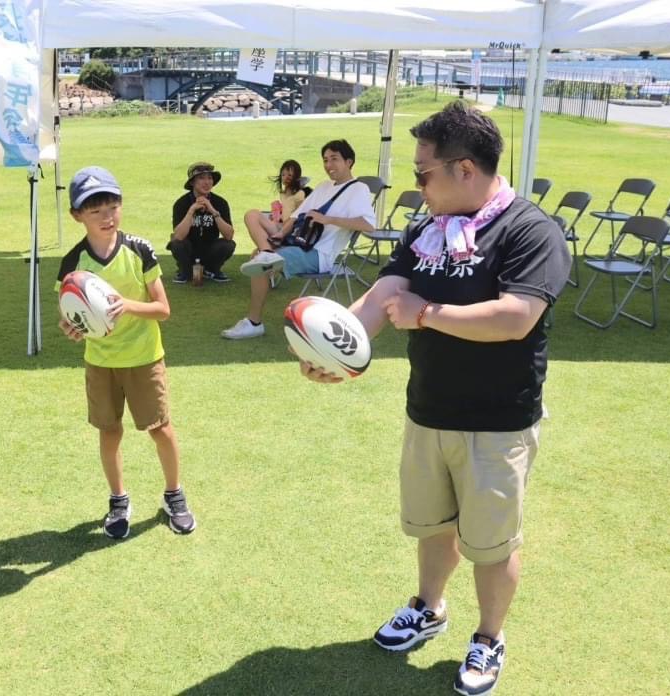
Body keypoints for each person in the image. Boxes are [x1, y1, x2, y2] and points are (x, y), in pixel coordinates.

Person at [300, 101, 571, 696]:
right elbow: (384, 294)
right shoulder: (427, 228)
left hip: (497, 422)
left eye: (423, 173)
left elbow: (516, 317)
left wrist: (426, 313)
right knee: (431, 526)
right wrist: (338, 348)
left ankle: (489, 637)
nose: (417, 186)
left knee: (491, 545)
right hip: (428, 410)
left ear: (464, 168)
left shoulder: (530, 230)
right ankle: (428, 606)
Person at [58, 166, 196, 539]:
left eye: (113, 207)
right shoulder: (73, 263)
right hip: (101, 363)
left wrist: (126, 305)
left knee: (161, 429)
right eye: (95, 210)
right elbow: (70, 314)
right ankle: (118, 500)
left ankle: (174, 495)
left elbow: (163, 309)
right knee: (109, 432)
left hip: (144, 359)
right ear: (77, 215)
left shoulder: (139, 250)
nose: (107, 217)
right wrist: (72, 328)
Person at [221, 139, 375, 339]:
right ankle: (266, 252)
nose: (328, 165)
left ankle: (254, 323)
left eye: (334, 159)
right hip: (298, 240)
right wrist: (281, 234)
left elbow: (368, 225)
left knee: (259, 264)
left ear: (349, 162)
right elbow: (296, 216)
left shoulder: (358, 189)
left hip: (319, 254)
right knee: (252, 216)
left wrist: (328, 219)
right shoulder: (324, 186)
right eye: (325, 160)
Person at [168, 162, 236, 283]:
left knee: (228, 245)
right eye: (201, 178)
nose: (207, 182)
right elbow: (178, 236)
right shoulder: (181, 203)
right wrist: (191, 211)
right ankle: (185, 271)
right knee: (177, 244)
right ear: (192, 182)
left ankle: (212, 270)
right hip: (189, 248)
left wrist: (213, 210)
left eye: (209, 178)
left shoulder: (220, 202)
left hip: (210, 248)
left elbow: (229, 235)